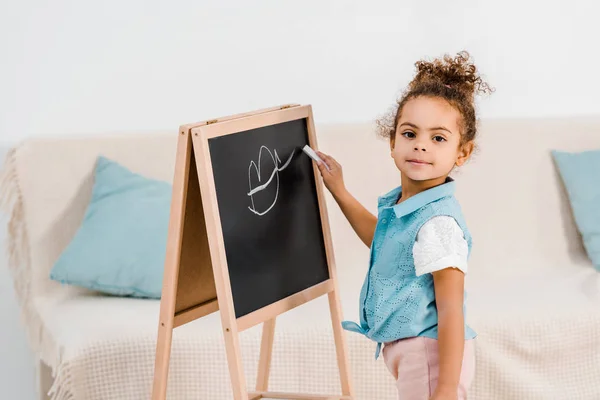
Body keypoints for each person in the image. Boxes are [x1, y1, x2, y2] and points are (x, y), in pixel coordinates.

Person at [315, 51, 493, 400]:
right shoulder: (406, 206)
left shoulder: (438, 223)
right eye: (410, 133)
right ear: (392, 142)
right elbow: (385, 243)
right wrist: (339, 191)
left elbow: (452, 311)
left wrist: (444, 389)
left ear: (462, 153)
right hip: (412, 351)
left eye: (438, 138)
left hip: (431, 356)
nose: (421, 145)